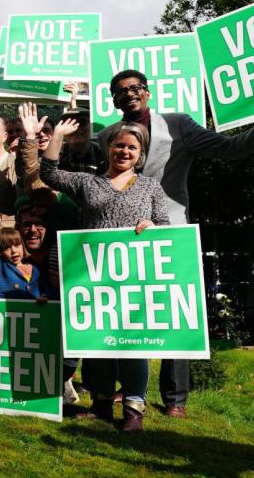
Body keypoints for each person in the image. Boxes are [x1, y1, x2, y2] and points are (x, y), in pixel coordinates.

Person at [100, 69, 254, 418]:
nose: (128, 94)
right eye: (120, 91)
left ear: (147, 92)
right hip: (123, 233)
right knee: (126, 312)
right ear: (112, 99)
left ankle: (175, 400)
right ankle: (129, 389)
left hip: (168, 227)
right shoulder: (108, 135)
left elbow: (231, 148)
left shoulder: (177, 125)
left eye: (135, 88)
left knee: (174, 311)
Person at [22, 101, 169, 431]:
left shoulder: (150, 186)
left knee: (133, 344)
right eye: (119, 145)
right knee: (97, 340)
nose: (124, 151)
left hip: (133, 277)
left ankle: (133, 408)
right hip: (94, 275)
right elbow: (49, 173)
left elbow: (164, 224)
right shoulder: (88, 183)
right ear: (109, 147)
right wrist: (57, 135)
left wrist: (153, 227)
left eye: (132, 147)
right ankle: (101, 404)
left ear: (140, 153)